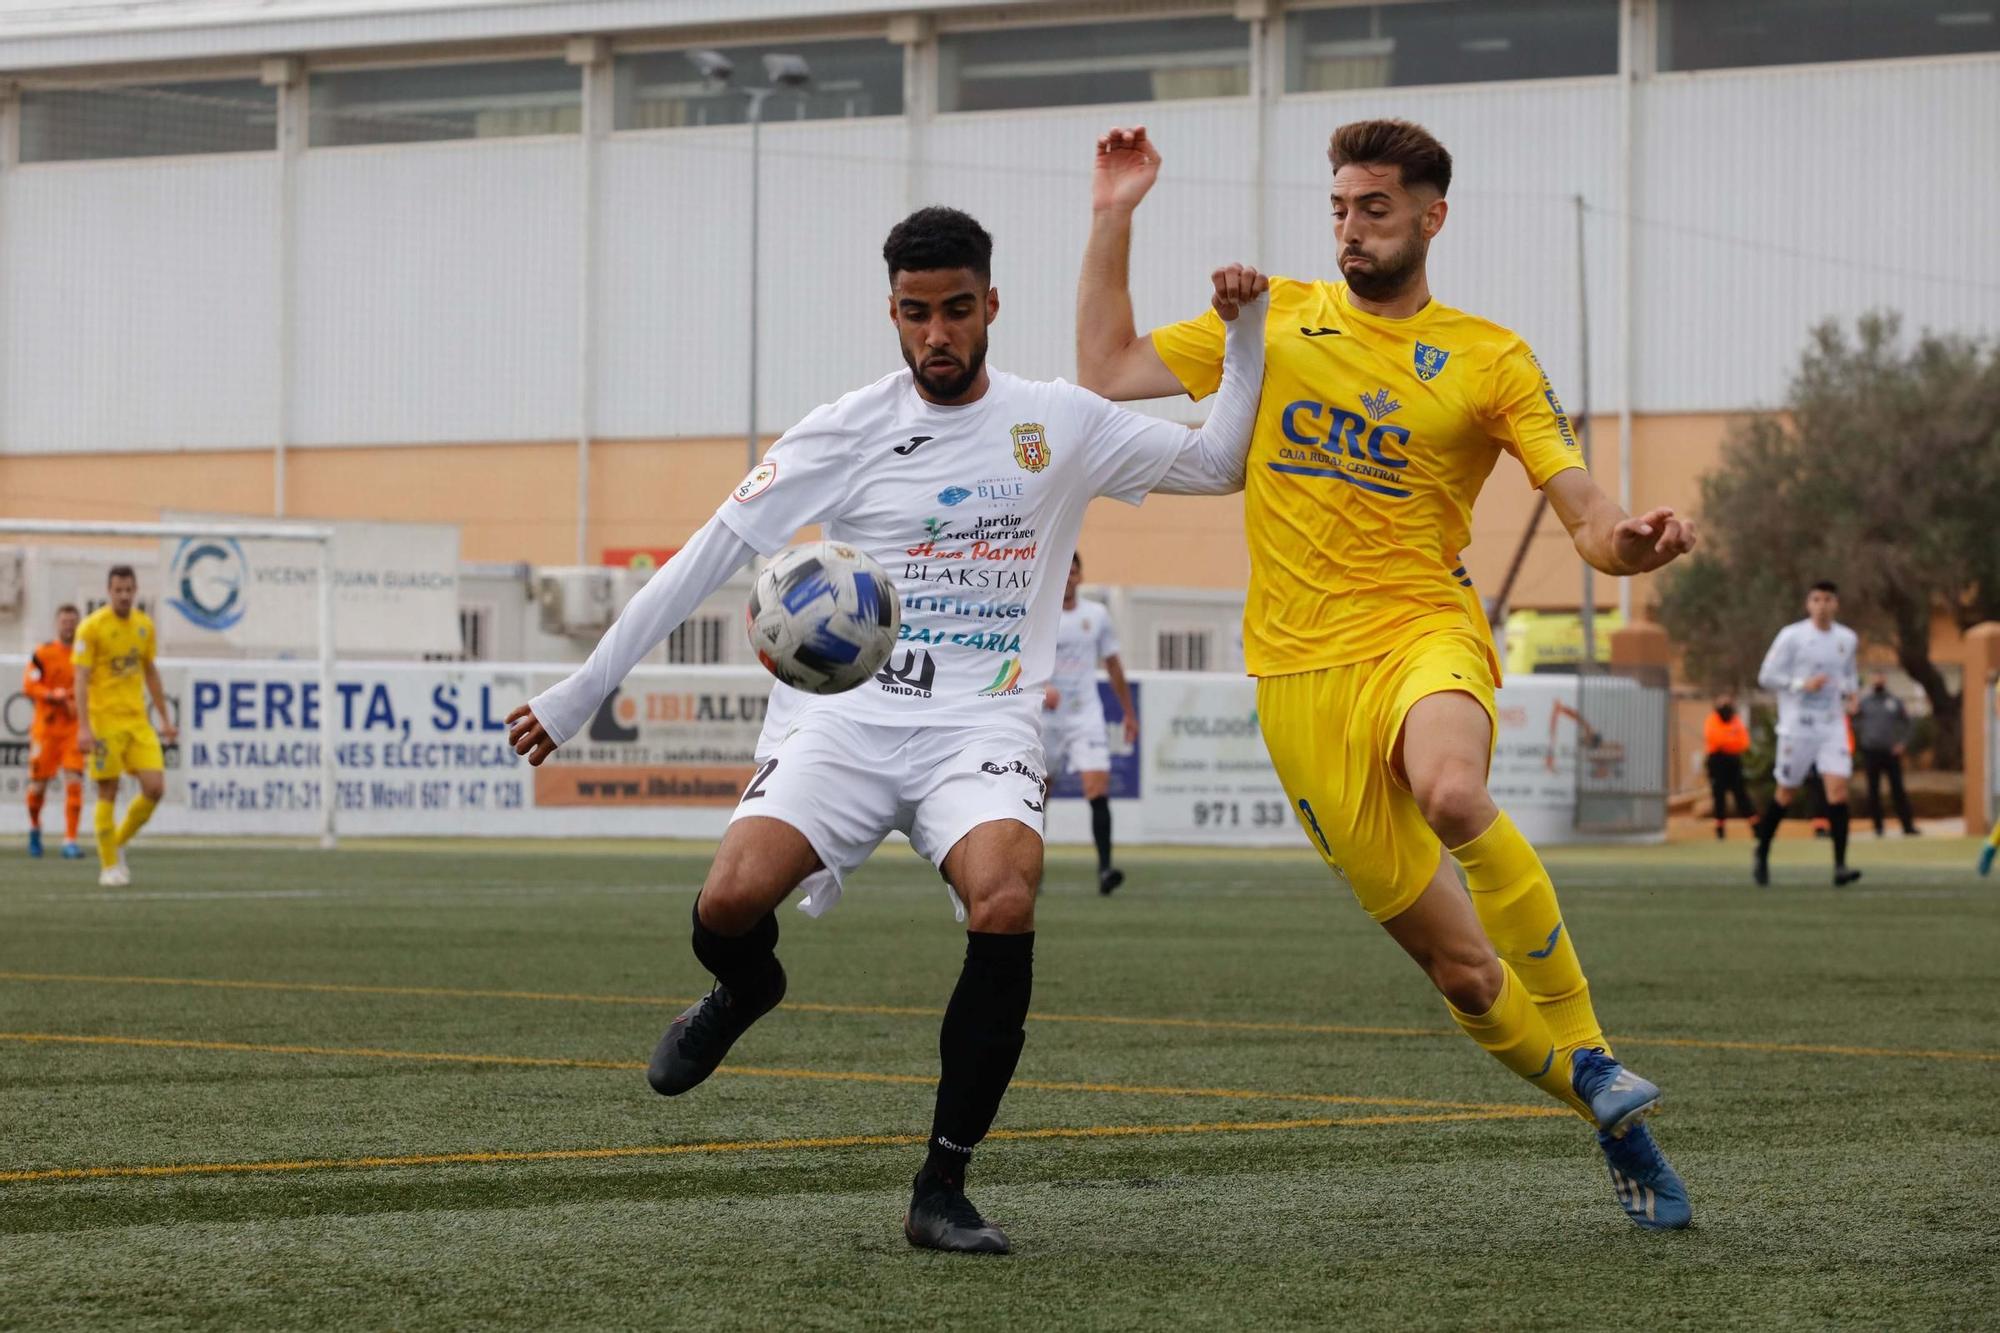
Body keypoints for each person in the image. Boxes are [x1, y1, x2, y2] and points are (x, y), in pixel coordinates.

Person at [507, 207, 1269, 1255]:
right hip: (844, 723)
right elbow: (706, 552)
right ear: (894, 314)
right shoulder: (845, 427)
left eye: (956, 310)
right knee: (729, 900)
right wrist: (583, 690)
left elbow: (1222, 459)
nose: (936, 336)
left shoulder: (1061, 419)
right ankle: (747, 983)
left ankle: (940, 1186)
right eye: (915, 315)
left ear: (990, 304)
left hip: (980, 725)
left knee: (1004, 894)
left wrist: (1246, 331)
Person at [1078, 118, 1697, 1230]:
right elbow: (1107, 368)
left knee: (1454, 791)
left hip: (1424, 627)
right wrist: (1113, 215)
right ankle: (1611, 1120)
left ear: (1429, 216)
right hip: (1295, 678)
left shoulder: (1489, 357)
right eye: (1338, 208)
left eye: (1372, 207)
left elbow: (1583, 511)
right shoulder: (1273, 322)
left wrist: (1626, 547)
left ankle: (1594, 1050)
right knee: (1462, 976)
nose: (1350, 227)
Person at [1751, 581, 1861, 887]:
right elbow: (1766, 676)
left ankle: (1840, 866)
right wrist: (1802, 684)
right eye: (1816, 599)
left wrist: (1853, 695)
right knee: (1785, 791)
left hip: (1832, 724)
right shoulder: (1792, 636)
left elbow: (1849, 674)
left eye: (1828, 599)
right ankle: (1762, 851)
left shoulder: (1847, 638)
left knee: (1837, 791)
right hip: (1798, 725)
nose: (1822, 605)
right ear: (1808, 604)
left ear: (1836, 604)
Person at [74, 565, 178, 887]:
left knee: (155, 788)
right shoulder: (91, 628)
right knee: (108, 789)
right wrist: (84, 727)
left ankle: (116, 842)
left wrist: (164, 718)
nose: (123, 595)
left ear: (135, 590)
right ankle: (109, 867)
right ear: (109, 591)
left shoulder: (144, 626)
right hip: (104, 722)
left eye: (128, 590)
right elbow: (80, 678)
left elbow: (150, 671)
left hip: (137, 721)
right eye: (117, 590)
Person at [1042, 552, 1137, 894]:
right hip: (1046, 716)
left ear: (1081, 576)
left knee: (1097, 788)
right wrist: (1040, 688)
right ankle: (1030, 872)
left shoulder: (1096, 616)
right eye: (1063, 571)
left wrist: (1129, 713)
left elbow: (1113, 666)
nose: (1068, 577)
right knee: (1038, 794)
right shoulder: (1040, 614)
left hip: (1085, 714)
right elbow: (1017, 659)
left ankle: (1105, 871)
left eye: (1073, 571)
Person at [22, 604, 87, 860]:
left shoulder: (84, 656)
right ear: (57, 623)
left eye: (73, 621)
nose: (68, 626)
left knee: (74, 783)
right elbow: (29, 684)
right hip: (46, 729)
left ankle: (70, 840)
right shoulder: (44, 653)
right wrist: (53, 695)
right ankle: (35, 828)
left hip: (73, 729)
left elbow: (91, 687)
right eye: (64, 621)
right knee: (37, 787)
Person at [1853, 674, 1919, 838]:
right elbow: (1854, 721)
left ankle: (1907, 825)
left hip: (1891, 752)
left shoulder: (1894, 701)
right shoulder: (1865, 702)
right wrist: (1863, 738)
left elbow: (1908, 723)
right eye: (1875, 677)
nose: (1878, 680)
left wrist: (1902, 743)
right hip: (1871, 752)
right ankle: (1878, 827)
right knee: (1873, 790)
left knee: (1898, 789)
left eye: (1881, 677)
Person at [1703, 692, 1753, 839]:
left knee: (1741, 795)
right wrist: (1730, 740)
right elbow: (1716, 740)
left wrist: (1728, 742)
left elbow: (1743, 742)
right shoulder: (1712, 720)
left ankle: (1756, 828)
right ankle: (1720, 831)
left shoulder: (1736, 720)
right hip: (1717, 762)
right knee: (1719, 797)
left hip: (1734, 762)